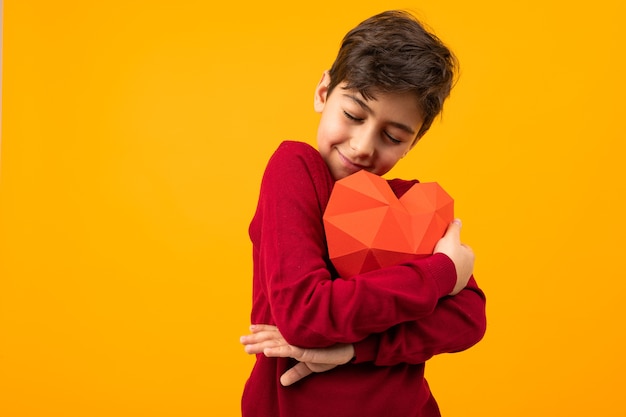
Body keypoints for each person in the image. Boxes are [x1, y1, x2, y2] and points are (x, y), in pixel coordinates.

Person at [239, 10, 486, 417]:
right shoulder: (295, 170)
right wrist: (440, 273)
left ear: (412, 143)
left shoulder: (412, 202)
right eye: (353, 115)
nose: (362, 147)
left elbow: (468, 319)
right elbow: (305, 313)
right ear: (323, 93)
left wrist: (354, 349)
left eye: (392, 136)